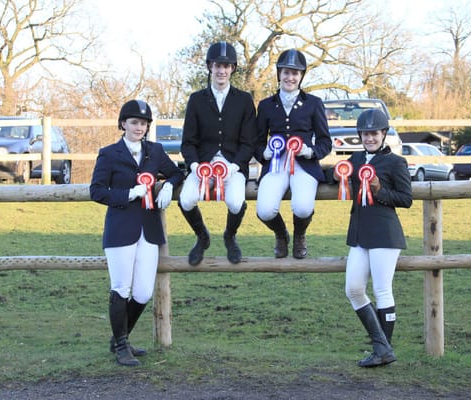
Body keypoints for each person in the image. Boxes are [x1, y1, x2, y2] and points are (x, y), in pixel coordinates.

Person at [90, 99, 185, 366]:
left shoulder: (155, 151)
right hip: (121, 228)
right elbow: (96, 191)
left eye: (143, 123)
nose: (139, 127)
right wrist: (129, 194)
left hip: (149, 229)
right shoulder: (109, 154)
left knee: (143, 292)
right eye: (134, 122)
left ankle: (119, 338)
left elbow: (177, 173)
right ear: (123, 124)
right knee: (121, 287)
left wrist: (167, 186)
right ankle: (121, 345)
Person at [335, 108, 412, 367]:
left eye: (374, 134)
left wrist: (379, 190)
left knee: (382, 289)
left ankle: (383, 350)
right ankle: (382, 346)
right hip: (359, 233)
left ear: (384, 134)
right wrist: (334, 174)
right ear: (360, 135)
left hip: (384, 233)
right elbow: (337, 178)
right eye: (366, 134)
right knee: (353, 289)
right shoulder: (355, 160)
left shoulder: (396, 163)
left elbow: (405, 199)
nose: (370, 138)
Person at [179, 41, 257, 266]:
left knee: (235, 202)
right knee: (186, 199)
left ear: (232, 68)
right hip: (203, 164)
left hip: (233, 165)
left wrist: (234, 166)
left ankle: (230, 236)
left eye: (226, 65)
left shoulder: (243, 100)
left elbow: (248, 141)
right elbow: (188, 142)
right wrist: (195, 166)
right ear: (209, 67)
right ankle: (202, 237)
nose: (221, 70)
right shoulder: (196, 100)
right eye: (217, 65)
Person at [254, 49, 332, 259]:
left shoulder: (313, 103)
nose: (290, 77)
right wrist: (266, 153)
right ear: (279, 74)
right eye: (286, 72)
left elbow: (326, 142)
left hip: (304, 165)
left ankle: (300, 234)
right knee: (264, 210)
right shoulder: (266, 105)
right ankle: (281, 234)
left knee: (303, 208)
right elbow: (257, 142)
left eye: (295, 73)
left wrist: (310, 151)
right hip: (276, 165)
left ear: (301, 76)